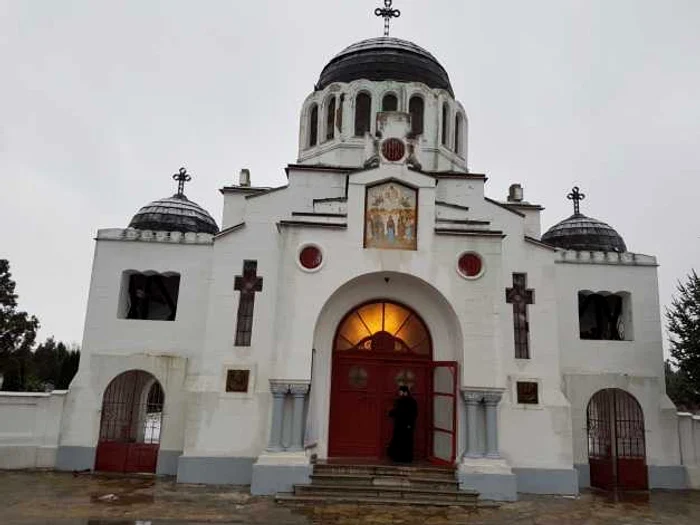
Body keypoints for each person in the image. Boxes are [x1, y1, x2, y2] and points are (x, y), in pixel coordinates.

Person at [387, 385, 418, 463]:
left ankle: (402, 458)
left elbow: (412, 414)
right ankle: (401, 458)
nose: (399, 393)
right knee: (402, 441)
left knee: (403, 442)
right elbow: (397, 411)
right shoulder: (403, 401)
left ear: (405, 392)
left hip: (404, 425)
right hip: (402, 425)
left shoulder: (408, 401)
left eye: (400, 392)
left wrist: (410, 424)